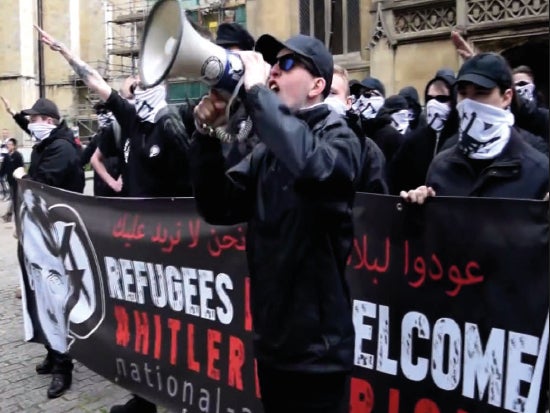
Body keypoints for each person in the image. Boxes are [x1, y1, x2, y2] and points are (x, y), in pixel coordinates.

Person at [190, 34, 360, 413]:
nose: (272, 73)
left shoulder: (341, 138)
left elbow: (314, 168)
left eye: (285, 64)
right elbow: (218, 206)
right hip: (273, 342)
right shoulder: (266, 153)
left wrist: (257, 97)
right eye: (271, 66)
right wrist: (204, 136)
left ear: (318, 86)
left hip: (319, 352)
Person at [35, 25, 191, 413]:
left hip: (167, 246)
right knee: (141, 327)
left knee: (167, 326)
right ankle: (143, 398)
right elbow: (98, 84)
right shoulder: (134, 122)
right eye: (134, 86)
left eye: (143, 85)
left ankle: (176, 391)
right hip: (134, 242)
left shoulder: (174, 127)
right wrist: (66, 53)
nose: (135, 91)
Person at [10, 96, 84, 399]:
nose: (31, 124)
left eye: (35, 119)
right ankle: (53, 354)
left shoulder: (61, 148)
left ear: (49, 121)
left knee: (56, 298)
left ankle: (64, 366)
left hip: (57, 235)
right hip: (41, 232)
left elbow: (44, 183)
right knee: (41, 295)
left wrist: (22, 177)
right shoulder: (47, 143)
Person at [400, 52, 549, 202]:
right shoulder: (441, 166)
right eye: (463, 93)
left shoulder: (538, 169)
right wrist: (419, 207)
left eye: (481, 92)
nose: (469, 103)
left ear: (506, 97)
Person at [389, 69, 459, 194]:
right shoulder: (414, 140)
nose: (433, 103)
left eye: (442, 98)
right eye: (429, 98)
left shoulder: (462, 140)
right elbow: (395, 178)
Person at [325, 64, 388, 194]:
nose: (325, 99)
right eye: (321, 92)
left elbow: (376, 206)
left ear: (348, 103)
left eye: (332, 93)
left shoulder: (367, 151)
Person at [0, 138, 24, 222]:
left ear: (14, 146)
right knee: (14, 198)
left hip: (17, 181)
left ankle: (9, 215)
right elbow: (3, 168)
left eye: (10, 144)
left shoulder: (18, 155)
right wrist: (1, 175)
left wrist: (21, 178)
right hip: (10, 181)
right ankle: (11, 214)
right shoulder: (7, 156)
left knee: (15, 198)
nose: (8, 145)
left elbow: (21, 168)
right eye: (7, 144)